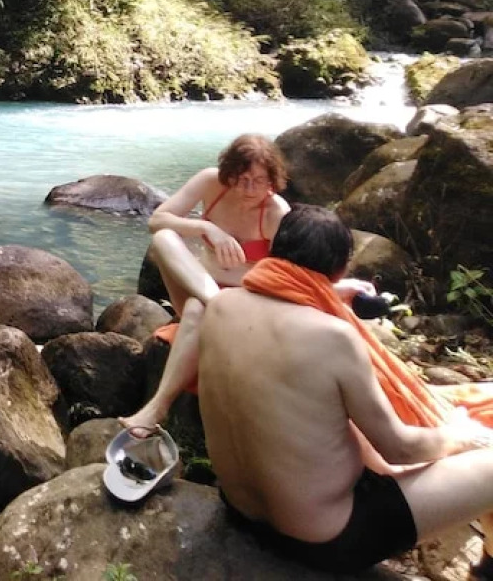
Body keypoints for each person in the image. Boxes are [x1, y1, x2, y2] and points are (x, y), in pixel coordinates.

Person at [200, 205, 493, 575]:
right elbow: (399, 448)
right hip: (326, 539)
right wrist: (463, 439)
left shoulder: (221, 306)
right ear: (340, 268)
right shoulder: (333, 336)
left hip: (240, 511)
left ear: (277, 250)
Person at [121, 133, 292, 431]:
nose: (249, 188)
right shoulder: (210, 182)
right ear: (229, 174)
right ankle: (214, 302)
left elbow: (284, 277)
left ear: (271, 181)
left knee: (197, 311)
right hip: (202, 288)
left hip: (245, 305)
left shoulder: (277, 212)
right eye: (241, 179)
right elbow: (156, 221)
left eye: (259, 180)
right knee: (164, 238)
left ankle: (157, 409)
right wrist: (206, 228)